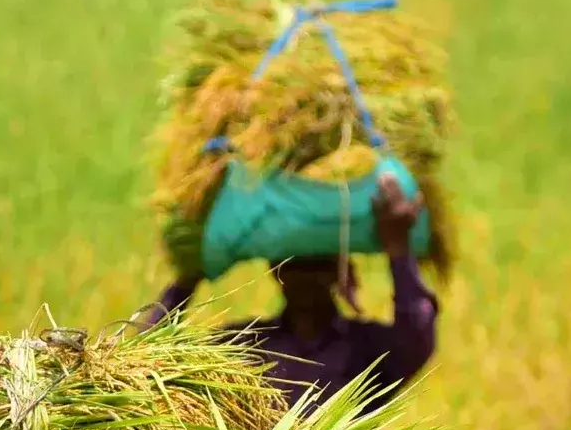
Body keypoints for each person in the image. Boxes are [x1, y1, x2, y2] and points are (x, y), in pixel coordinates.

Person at [144, 175, 437, 409]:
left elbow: (417, 337)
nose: (307, 277)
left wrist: (399, 250)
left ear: (341, 269)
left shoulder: (366, 350)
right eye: (294, 264)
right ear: (276, 269)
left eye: (320, 264)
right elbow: (149, 359)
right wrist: (191, 272)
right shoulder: (242, 347)